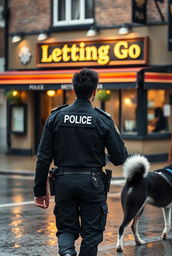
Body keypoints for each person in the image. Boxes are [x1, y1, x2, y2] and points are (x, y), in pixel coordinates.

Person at [33, 68, 128, 256]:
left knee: (66, 228)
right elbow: (120, 158)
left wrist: (39, 192)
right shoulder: (103, 119)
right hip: (92, 182)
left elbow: (43, 157)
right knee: (92, 233)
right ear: (94, 92)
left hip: (63, 181)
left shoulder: (56, 117)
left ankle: (67, 253)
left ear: (73, 90)